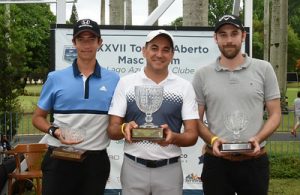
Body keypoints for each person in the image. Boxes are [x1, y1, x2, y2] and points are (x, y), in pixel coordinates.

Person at [192, 14, 281, 195]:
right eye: (223, 35)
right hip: (216, 162)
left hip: (254, 161)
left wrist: (258, 139)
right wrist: (213, 140)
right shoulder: (202, 75)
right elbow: (196, 119)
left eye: (234, 33)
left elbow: (276, 114)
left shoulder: (264, 69)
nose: (229, 40)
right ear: (215, 38)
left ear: (243, 36)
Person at [32, 19, 119, 195]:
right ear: (74, 42)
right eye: (81, 39)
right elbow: (37, 118)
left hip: (95, 162)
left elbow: (117, 121)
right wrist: (54, 131)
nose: (86, 45)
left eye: (91, 39)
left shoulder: (114, 80)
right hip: (59, 159)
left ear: (99, 43)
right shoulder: (55, 78)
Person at [108, 29, 199, 195]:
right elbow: (112, 130)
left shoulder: (184, 87)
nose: (159, 54)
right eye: (154, 48)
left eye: (166, 50)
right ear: (144, 51)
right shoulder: (126, 83)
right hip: (133, 168)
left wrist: (173, 137)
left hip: (169, 170)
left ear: (172, 54)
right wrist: (124, 128)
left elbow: (192, 135)